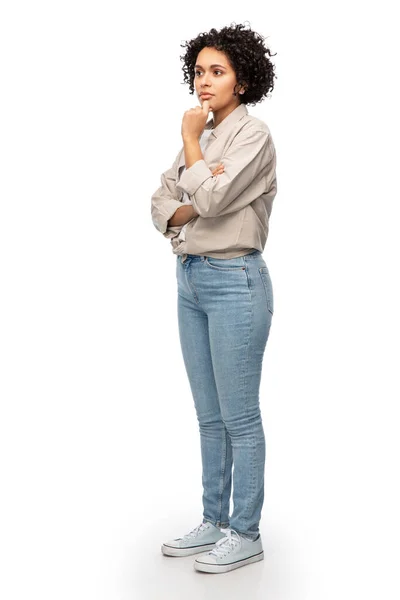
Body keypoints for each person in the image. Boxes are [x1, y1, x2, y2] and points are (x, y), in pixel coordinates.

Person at [151, 22, 278, 574]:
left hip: (235, 282)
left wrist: (190, 149)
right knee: (209, 416)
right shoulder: (206, 144)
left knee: (240, 417)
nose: (204, 82)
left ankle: (245, 530)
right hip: (190, 279)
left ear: (242, 82)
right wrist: (196, 193)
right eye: (199, 71)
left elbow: (216, 196)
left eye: (217, 72)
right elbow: (161, 204)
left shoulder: (254, 138)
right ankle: (213, 519)